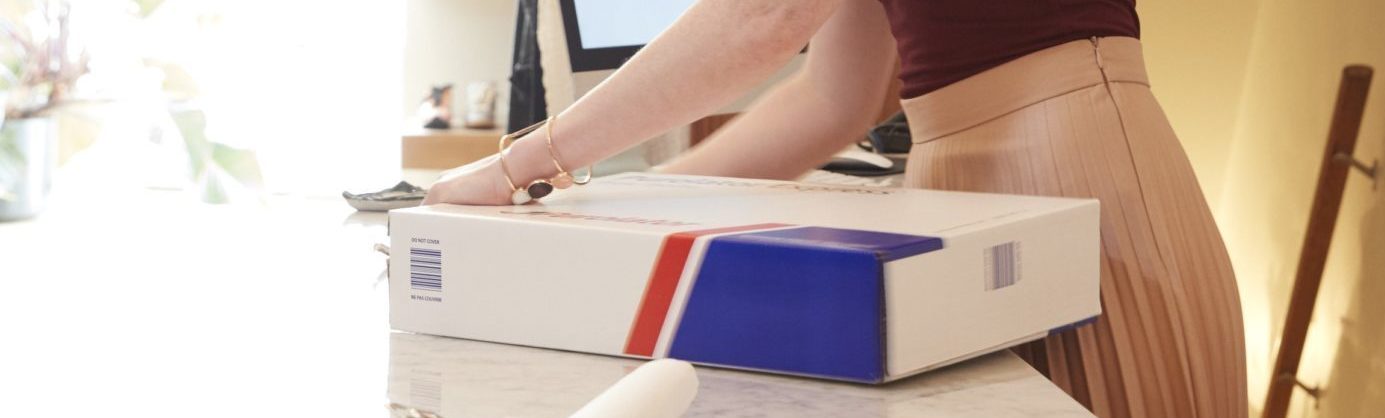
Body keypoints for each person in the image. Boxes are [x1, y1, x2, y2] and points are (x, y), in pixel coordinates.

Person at [424, 1, 1245, 417]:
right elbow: (833, 96)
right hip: (973, 177)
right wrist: (595, 206)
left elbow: (763, 18)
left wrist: (521, 164)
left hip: (1073, 169)